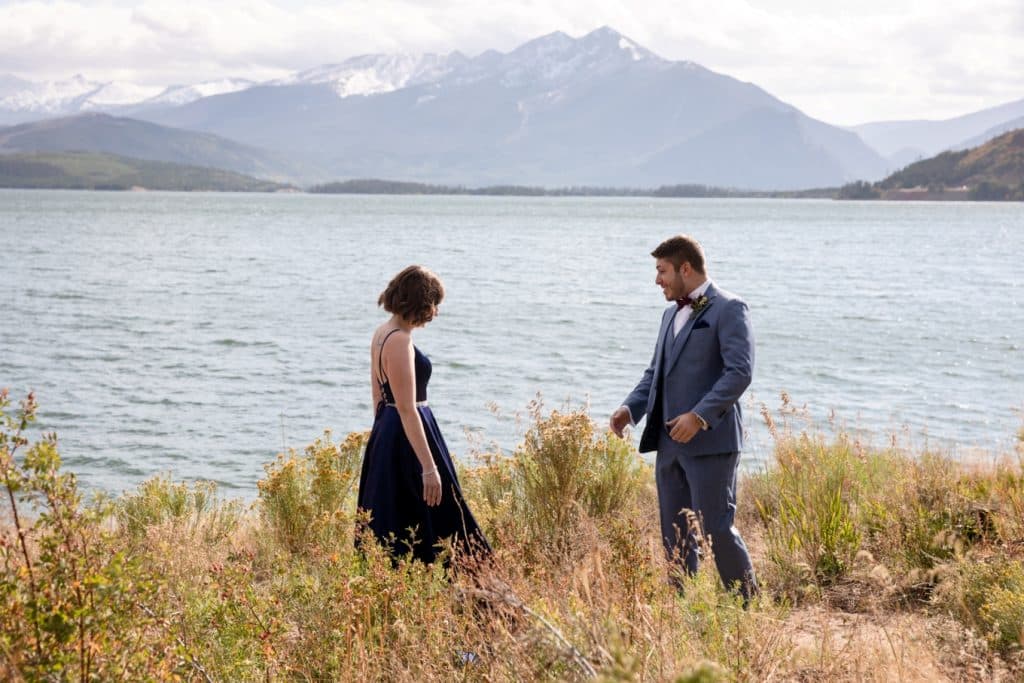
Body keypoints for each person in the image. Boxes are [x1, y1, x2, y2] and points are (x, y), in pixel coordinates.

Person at [610, 235, 757, 601]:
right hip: (668, 445)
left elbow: (739, 372)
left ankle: (748, 607)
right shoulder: (667, 315)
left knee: (717, 529)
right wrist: (629, 409)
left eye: (662, 271)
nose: (657, 280)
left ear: (685, 269)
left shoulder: (730, 308)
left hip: (711, 443)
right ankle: (682, 612)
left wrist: (700, 416)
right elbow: (655, 373)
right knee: (673, 534)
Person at [357, 265, 490, 564]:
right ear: (419, 303)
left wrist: (383, 441)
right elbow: (406, 408)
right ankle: (472, 588)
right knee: (446, 516)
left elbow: (378, 397)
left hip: (387, 432)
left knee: (395, 517)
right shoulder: (400, 341)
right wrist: (429, 468)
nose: (435, 313)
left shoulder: (381, 332)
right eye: (433, 305)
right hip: (409, 432)